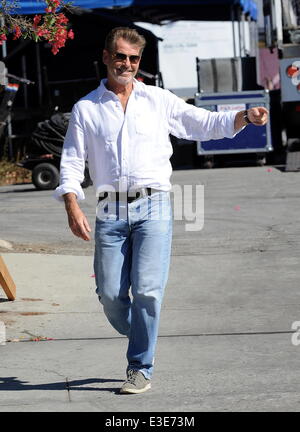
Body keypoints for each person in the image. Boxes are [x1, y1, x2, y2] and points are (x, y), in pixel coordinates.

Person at [54, 27, 268, 394]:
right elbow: (73, 161)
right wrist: (72, 205)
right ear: (106, 57)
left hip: (154, 207)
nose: (127, 64)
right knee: (109, 295)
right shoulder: (86, 108)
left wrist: (244, 117)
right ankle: (142, 330)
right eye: (120, 56)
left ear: (140, 62)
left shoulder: (158, 100)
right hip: (110, 212)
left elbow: (202, 124)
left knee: (149, 292)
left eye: (133, 59)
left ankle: (140, 367)